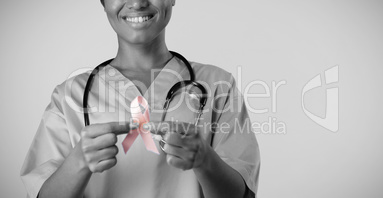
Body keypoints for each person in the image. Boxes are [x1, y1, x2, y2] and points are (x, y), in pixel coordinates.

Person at [20, 0, 260, 197]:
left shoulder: (219, 85)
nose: (137, 2)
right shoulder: (69, 95)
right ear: (103, 2)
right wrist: (78, 162)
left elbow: (243, 194)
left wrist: (206, 161)